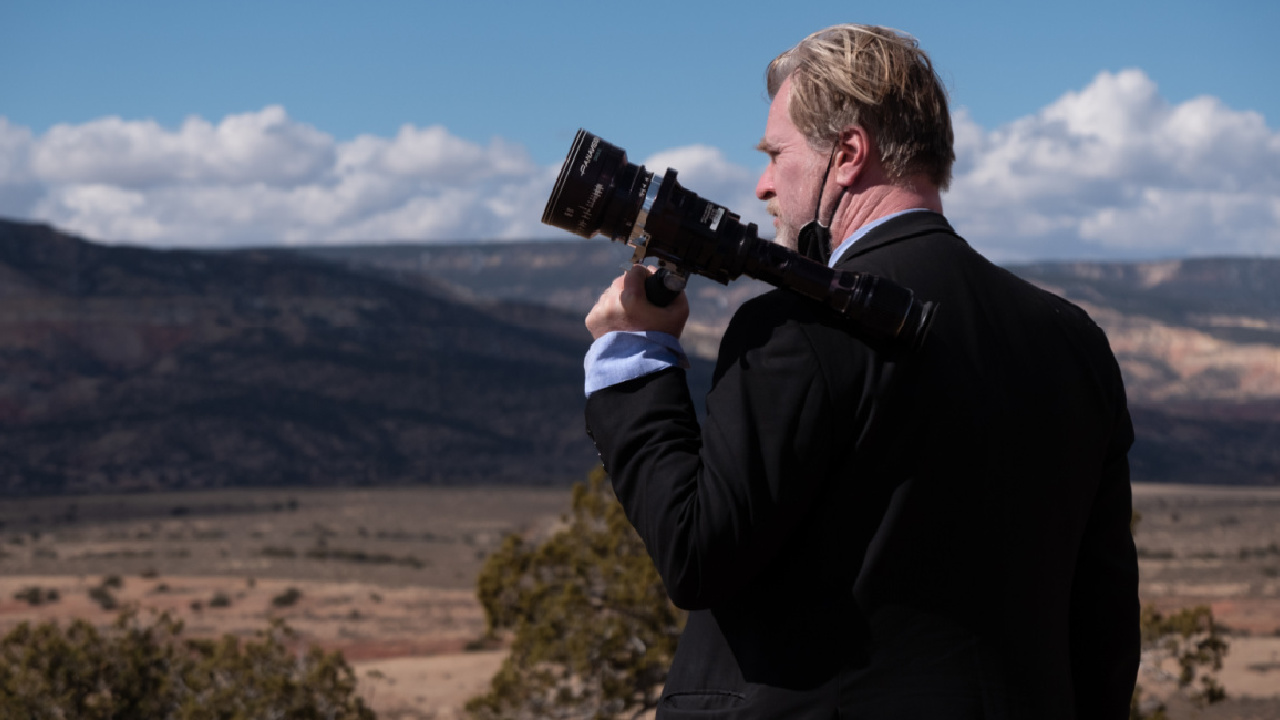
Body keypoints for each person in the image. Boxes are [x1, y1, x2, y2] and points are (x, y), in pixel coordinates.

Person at [582, 24, 1139, 720]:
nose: (762, 185)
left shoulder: (797, 326)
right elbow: (1104, 622)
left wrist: (634, 360)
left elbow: (697, 551)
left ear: (847, 154)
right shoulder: (1073, 341)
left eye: (776, 154)